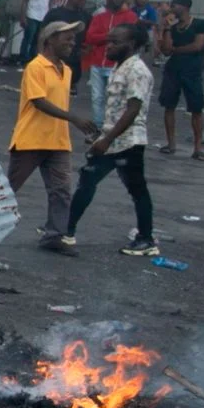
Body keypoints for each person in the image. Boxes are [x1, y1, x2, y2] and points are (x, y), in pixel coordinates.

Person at [67, 23, 158, 256]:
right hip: (113, 139)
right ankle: (65, 230)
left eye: (115, 42)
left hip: (127, 142)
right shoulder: (121, 67)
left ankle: (146, 239)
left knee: (136, 189)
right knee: (87, 180)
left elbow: (133, 109)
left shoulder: (137, 70)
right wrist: (103, 137)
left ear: (131, 45)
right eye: (109, 41)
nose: (109, 46)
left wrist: (107, 140)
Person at [8, 19, 97, 256]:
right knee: (9, 188)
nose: (72, 42)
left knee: (61, 190)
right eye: (66, 37)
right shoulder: (35, 67)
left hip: (57, 140)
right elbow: (38, 102)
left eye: (72, 37)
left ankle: (55, 235)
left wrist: (69, 121)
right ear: (50, 40)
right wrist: (74, 119)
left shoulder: (65, 70)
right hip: (32, 138)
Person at [156, 0, 204, 161]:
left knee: (196, 108)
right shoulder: (173, 27)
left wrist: (175, 50)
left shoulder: (200, 24)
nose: (172, 9)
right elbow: (165, 50)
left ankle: (198, 148)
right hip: (173, 71)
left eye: (174, 6)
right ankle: (171, 144)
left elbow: (197, 46)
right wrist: (167, 29)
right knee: (169, 105)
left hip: (192, 72)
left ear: (184, 7)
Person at [81, 0, 137, 126]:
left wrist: (106, 37)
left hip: (117, 65)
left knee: (115, 98)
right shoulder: (99, 16)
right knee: (97, 97)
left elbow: (128, 39)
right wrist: (111, 36)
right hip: (98, 62)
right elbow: (90, 38)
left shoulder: (130, 17)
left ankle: (110, 127)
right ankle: (98, 126)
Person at [41, 0, 92, 80]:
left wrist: (85, 51)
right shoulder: (55, 13)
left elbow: (89, 37)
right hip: (53, 60)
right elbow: (42, 36)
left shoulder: (86, 16)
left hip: (74, 64)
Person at [19, 0, 56, 65]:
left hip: (43, 17)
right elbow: (25, 1)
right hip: (32, 15)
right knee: (28, 38)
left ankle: (33, 59)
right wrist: (23, 16)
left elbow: (51, 3)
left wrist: (50, 17)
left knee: (38, 39)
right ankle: (23, 59)